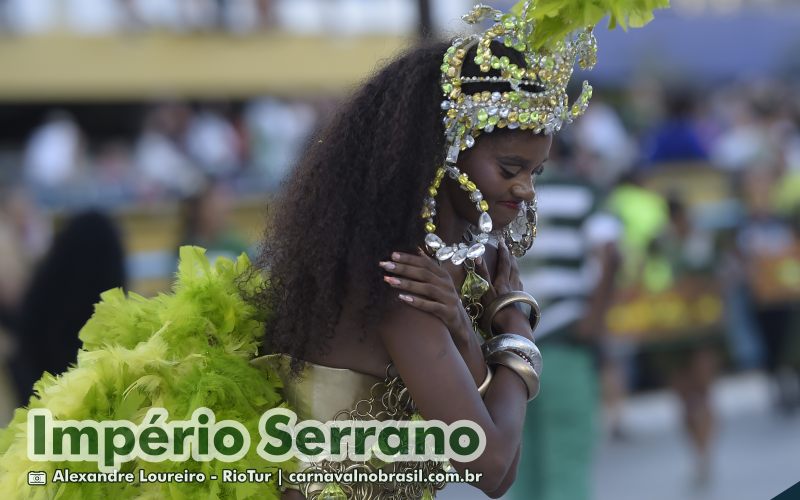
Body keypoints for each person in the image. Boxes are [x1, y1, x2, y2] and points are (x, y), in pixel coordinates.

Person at [0, 2, 667, 499]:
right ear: (443, 153)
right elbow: (492, 468)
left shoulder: (388, 262)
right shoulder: (401, 284)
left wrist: (473, 327)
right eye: (511, 168)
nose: (523, 192)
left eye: (536, 173)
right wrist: (517, 325)